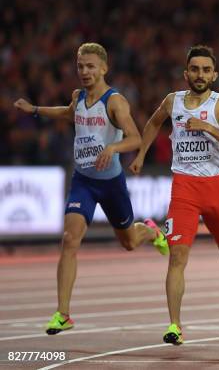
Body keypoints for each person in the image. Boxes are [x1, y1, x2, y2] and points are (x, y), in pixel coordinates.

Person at [13, 42, 168, 335]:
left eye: (90, 66)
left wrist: (113, 147)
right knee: (70, 239)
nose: (84, 72)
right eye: (80, 66)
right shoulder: (79, 96)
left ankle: (149, 231)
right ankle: (63, 313)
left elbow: (135, 138)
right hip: (83, 181)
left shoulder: (115, 102)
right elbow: (68, 113)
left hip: (111, 184)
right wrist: (34, 109)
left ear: (104, 68)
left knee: (129, 243)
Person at [129, 45, 219, 345]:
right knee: (177, 256)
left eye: (206, 70)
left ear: (215, 74)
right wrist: (141, 154)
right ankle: (175, 325)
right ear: (186, 73)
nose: (200, 75)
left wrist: (208, 127)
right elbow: (153, 122)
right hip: (183, 187)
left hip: (215, 188)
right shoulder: (173, 101)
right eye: (195, 69)